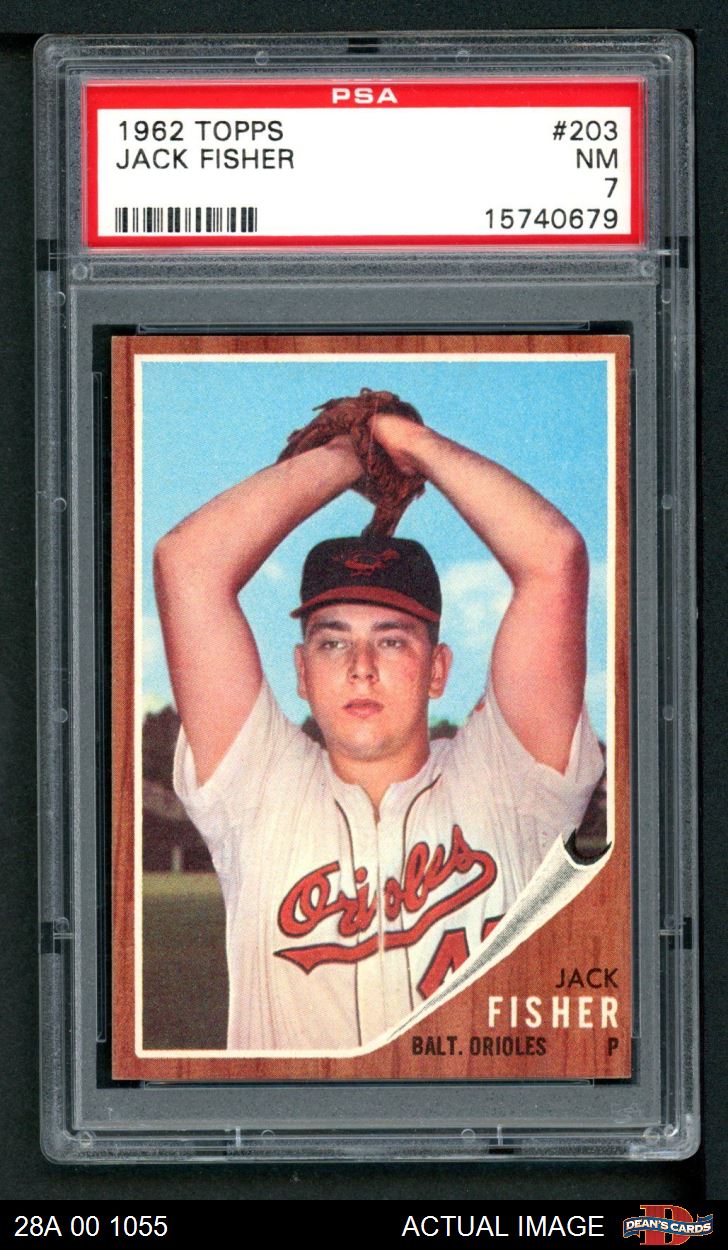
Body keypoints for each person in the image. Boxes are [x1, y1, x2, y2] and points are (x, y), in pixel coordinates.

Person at [154, 408, 606, 1051]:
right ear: (302, 672)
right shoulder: (259, 789)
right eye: (333, 643)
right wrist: (351, 452)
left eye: (392, 641)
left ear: (438, 670)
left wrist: (404, 441)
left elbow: (555, 559)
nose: (361, 668)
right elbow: (186, 564)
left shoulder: (509, 779)